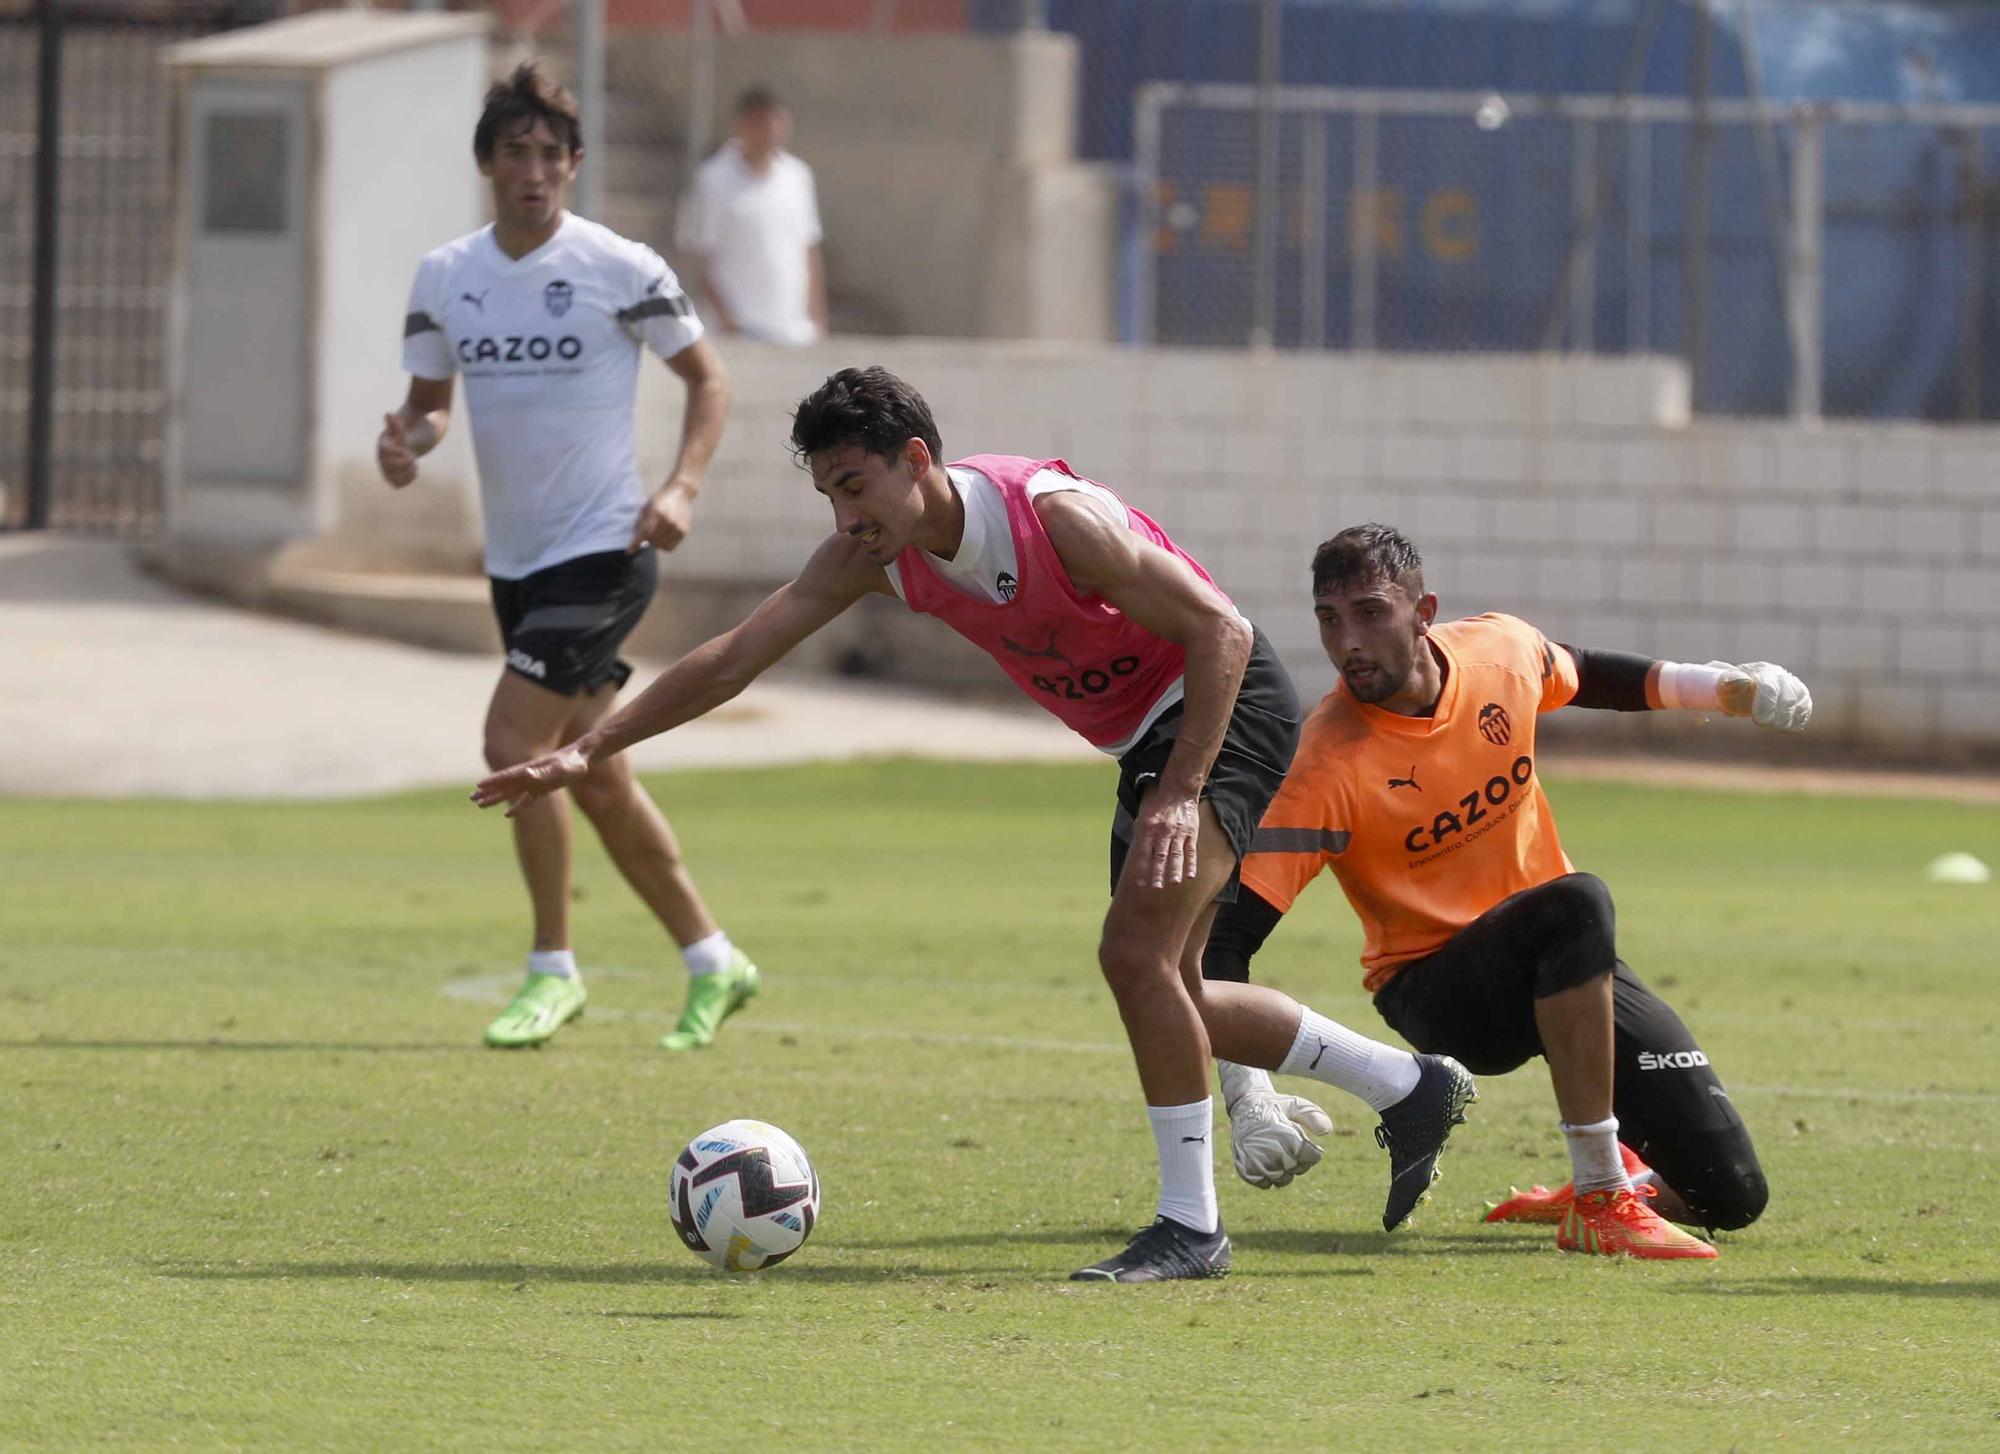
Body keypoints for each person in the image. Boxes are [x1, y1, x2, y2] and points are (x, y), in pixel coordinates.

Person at [474, 367, 1479, 1282]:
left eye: (855, 484)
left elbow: (1218, 628)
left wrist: (1181, 784)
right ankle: (1406, 1084)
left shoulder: (1053, 520)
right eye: (827, 491)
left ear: (917, 460)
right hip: (1145, 736)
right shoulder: (878, 556)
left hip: (1223, 704)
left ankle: (1190, 1225)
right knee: (1172, 986)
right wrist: (587, 747)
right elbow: (736, 655)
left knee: (1132, 955)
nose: (843, 512)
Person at [1204, 523, 1812, 1260]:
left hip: (1560, 954)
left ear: (1424, 610)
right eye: (1330, 620)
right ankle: (1600, 1197)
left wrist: (1721, 687)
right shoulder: (1322, 764)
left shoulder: (1500, 651)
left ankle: (1611, 1172)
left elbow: (1589, 674)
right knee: (1578, 902)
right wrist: (1250, 1096)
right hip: (1437, 989)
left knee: (1733, 1197)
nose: (1349, 642)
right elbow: (1223, 950)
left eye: (1370, 612)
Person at [379, 63, 761, 1054]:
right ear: (487, 164)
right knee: (597, 776)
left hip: (606, 547)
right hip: (516, 565)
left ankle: (552, 969)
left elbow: (707, 379)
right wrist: (404, 444)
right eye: (516, 152)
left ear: (575, 167)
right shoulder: (444, 275)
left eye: (553, 154)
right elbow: (427, 412)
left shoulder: (618, 265)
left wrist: (680, 485)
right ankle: (714, 957)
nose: (535, 170)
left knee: (513, 746)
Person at [675, 85, 827, 347]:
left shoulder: (798, 176)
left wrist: (818, 319)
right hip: (737, 333)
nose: (768, 132)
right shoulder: (713, 180)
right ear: (742, 124)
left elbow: (809, 248)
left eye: (775, 122)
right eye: (760, 123)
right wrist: (728, 322)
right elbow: (699, 256)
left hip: (792, 331)